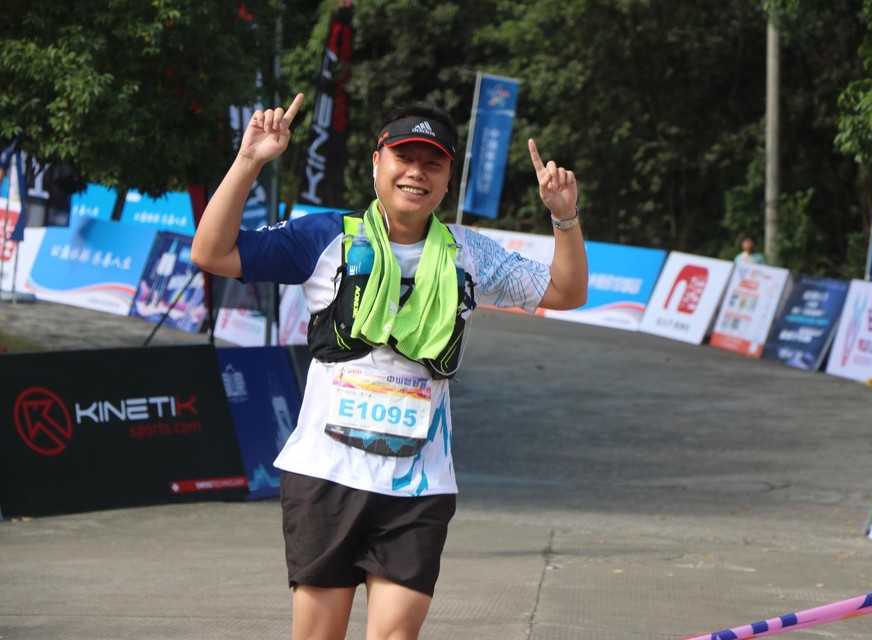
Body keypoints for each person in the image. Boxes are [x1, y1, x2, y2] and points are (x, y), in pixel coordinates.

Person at [191, 93, 588, 640]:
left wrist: (564, 217)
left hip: (419, 487)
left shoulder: (469, 254)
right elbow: (211, 253)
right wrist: (248, 161)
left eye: (433, 163)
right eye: (404, 157)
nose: (416, 173)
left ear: (447, 180)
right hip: (326, 476)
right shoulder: (326, 236)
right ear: (377, 162)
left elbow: (566, 291)